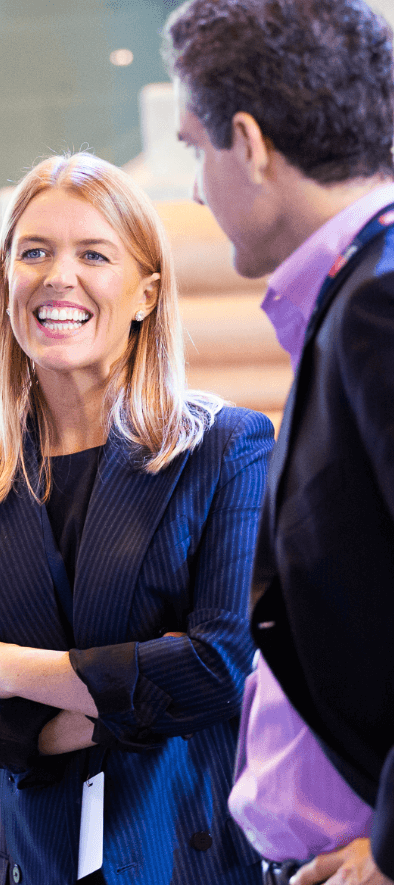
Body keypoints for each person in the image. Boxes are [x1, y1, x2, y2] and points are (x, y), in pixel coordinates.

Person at [0, 152, 273, 884]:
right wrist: (130, 690)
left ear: (144, 294)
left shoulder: (224, 446)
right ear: (7, 281)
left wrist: (14, 671)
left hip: (185, 851)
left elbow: (216, 668)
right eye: (32, 251)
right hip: (23, 860)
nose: (55, 276)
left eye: (92, 254)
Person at [165, 2, 394, 884]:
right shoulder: (355, 290)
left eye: (194, 147)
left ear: (250, 144)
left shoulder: (377, 301)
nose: (193, 186)